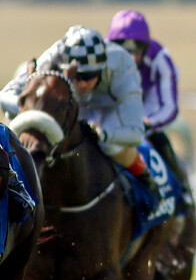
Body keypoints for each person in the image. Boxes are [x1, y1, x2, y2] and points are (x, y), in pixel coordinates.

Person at [0, 25, 161, 206]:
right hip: (67, 104)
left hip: (109, 108)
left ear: (102, 69)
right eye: (77, 76)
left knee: (111, 146)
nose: (82, 84)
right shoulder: (53, 57)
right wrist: (32, 112)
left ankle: (146, 182)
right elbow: (6, 96)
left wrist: (105, 134)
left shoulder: (122, 66)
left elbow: (135, 133)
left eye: (89, 76)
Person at [106, 9, 186, 183]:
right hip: (112, 106)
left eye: (136, 50)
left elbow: (170, 106)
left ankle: (182, 193)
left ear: (145, 48)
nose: (129, 57)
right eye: (123, 50)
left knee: (160, 142)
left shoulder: (160, 58)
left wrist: (149, 123)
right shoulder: (101, 54)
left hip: (146, 104)